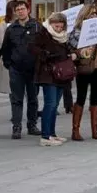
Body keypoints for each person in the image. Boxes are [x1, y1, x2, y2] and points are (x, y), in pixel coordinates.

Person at [68, 5, 97, 141]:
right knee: (81, 97)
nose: (94, 15)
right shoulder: (77, 31)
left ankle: (95, 130)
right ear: (85, 15)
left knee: (95, 97)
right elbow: (71, 49)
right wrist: (81, 52)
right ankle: (75, 130)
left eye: (96, 13)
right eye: (92, 13)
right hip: (83, 67)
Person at [31, 12, 74, 146]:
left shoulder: (64, 36)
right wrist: (46, 54)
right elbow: (32, 47)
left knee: (54, 105)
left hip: (61, 74)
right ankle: (45, 136)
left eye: (61, 27)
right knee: (50, 104)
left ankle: (52, 134)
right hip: (48, 73)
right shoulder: (43, 34)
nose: (59, 29)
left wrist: (72, 54)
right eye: (56, 26)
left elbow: (66, 50)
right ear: (51, 24)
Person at [2, 1, 41, 139]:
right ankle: (17, 126)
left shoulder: (37, 26)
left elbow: (43, 45)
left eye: (22, 9)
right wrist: (9, 64)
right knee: (16, 99)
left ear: (28, 10)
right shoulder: (11, 28)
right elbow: (5, 49)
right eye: (17, 10)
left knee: (33, 98)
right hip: (16, 69)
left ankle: (32, 124)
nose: (20, 11)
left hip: (33, 69)